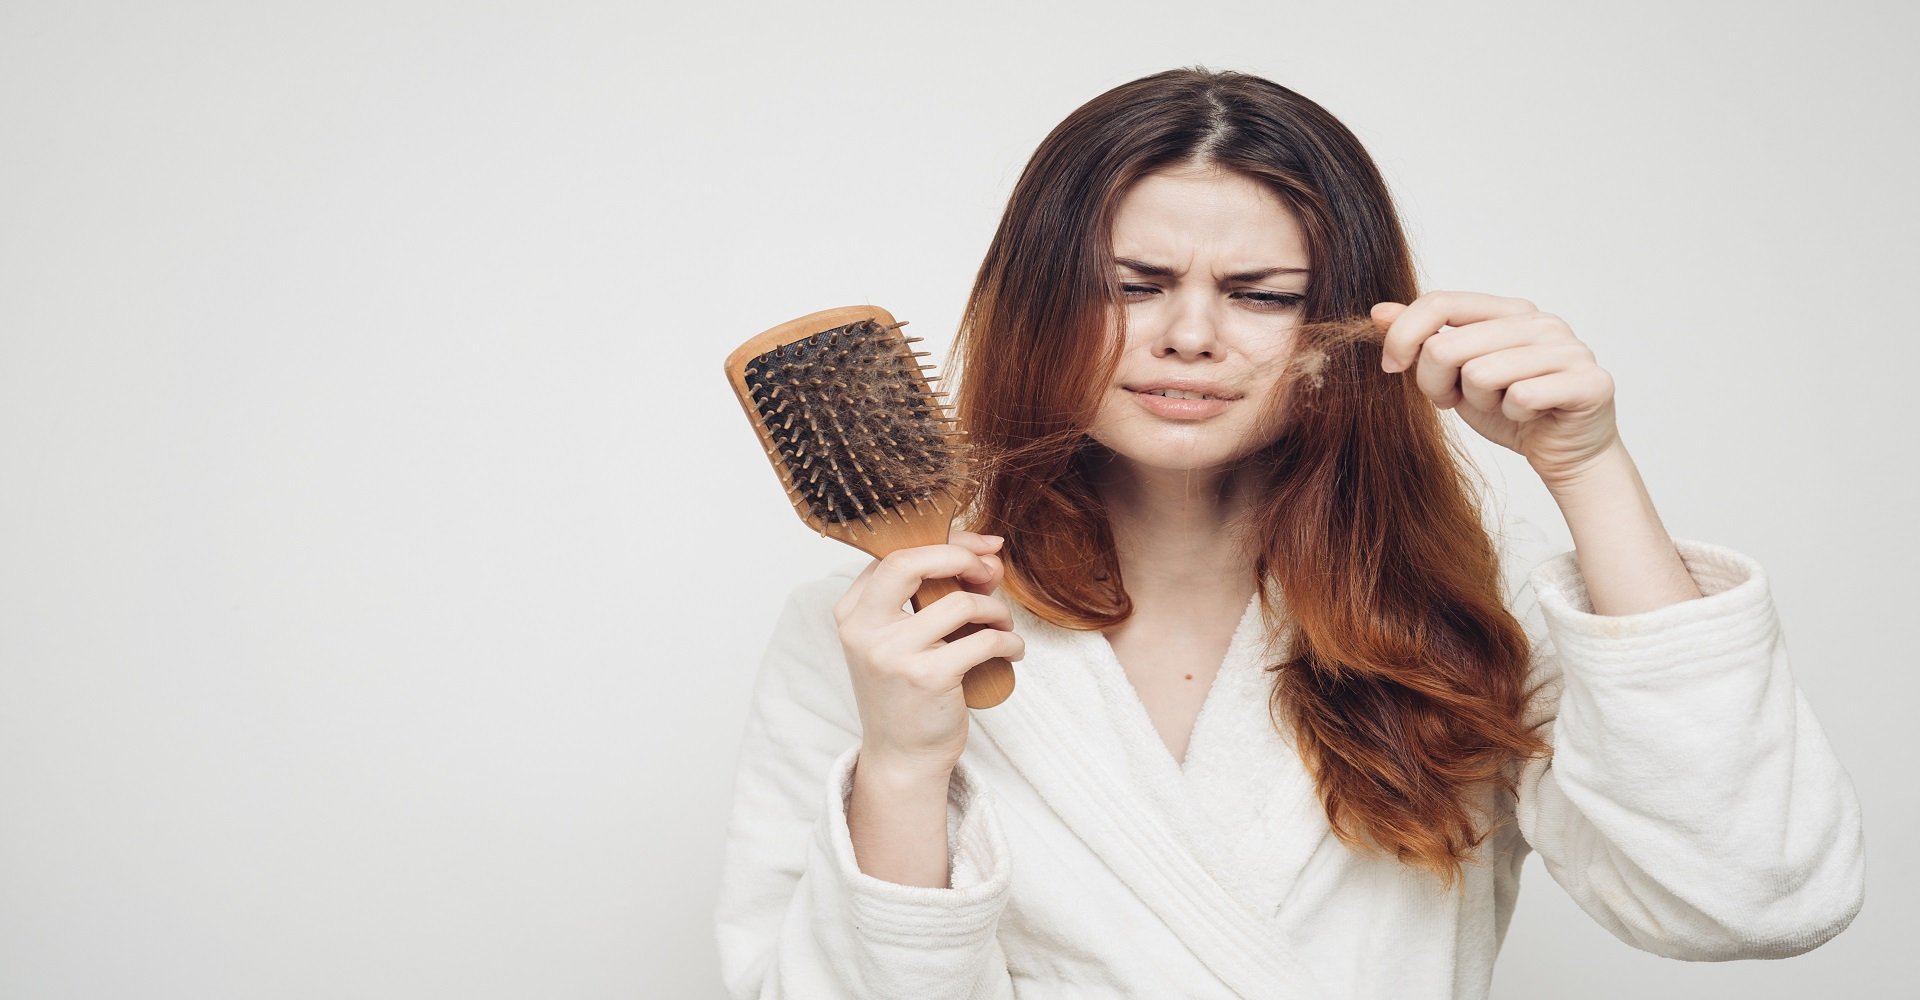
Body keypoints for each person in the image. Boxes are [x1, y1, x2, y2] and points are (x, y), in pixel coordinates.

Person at [712, 67, 1865, 1000]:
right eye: (1132, 284)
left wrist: (1589, 467)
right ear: (1041, 303)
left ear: (1347, 324)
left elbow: (1751, 895)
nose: (1193, 335)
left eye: (1261, 294)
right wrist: (908, 765)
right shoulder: (870, 635)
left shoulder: (1471, 606)